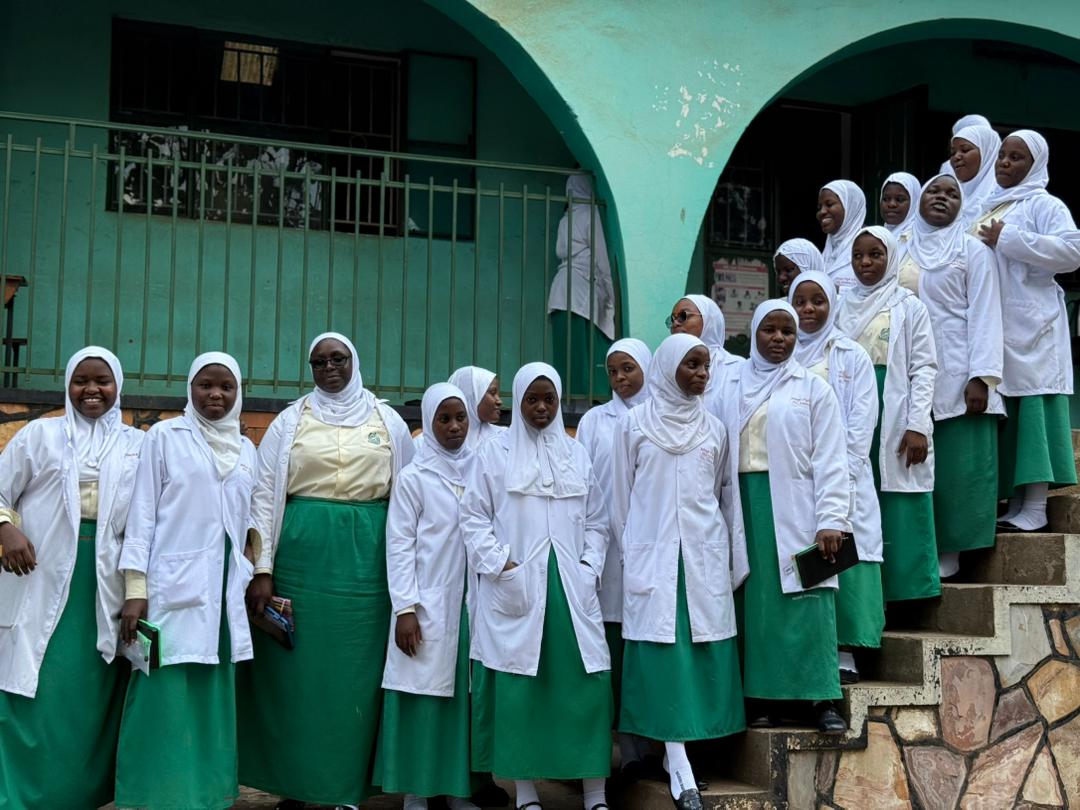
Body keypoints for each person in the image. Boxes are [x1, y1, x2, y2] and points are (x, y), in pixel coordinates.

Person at [238, 332, 414, 809]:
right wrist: (262, 567)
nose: (329, 368)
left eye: (338, 359)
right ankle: (298, 786)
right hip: (300, 558)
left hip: (367, 562)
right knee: (296, 677)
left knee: (356, 675)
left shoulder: (388, 421)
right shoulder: (290, 420)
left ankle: (346, 790)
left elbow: (410, 495)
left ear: (355, 361)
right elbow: (264, 494)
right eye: (318, 362)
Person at [462, 363, 611, 810]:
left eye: (549, 399)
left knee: (584, 691)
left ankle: (595, 793)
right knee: (519, 694)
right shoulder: (494, 453)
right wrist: (500, 564)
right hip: (517, 585)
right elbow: (473, 518)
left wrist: (589, 567)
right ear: (519, 401)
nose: (541, 407)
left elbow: (598, 521)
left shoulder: (576, 454)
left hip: (570, 589)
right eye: (532, 399)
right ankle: (526, 793)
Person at [609, 333, 747, 809]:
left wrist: (728, 557)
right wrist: (634, 553)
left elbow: (724, 495)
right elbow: (620, 501)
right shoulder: (633, 425)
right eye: (692, 365)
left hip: (701, 559)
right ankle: (679, 764)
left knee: (696, 655)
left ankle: (681, 756)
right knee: (664, 660)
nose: (702, 374)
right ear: (669, 367)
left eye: (706, 365)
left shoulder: (715, 429)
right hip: (653, 557)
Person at [0, 347, 142, 809]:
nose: (91, 390)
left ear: (118, 386)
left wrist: (137, 589)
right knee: (37, 681)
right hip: (38, 574)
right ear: (67, 385)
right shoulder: (39, 435)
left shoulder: (137, 444)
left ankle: (76, 796)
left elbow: (146, 521)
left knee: (90, 689)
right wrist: (6, 529)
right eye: (81, 380)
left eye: (102, 380)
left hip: (103, 582)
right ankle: (18, 796)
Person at [115, 352, 257, 810]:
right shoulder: (164, 437)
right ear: (189, 389)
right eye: (205, 385)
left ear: (238, 393)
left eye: (226, 387)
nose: (215, 395)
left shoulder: (247, 449)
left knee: (209, 699)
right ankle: (154, 797)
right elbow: (141, 515)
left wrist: (251, 566)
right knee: (163, 697)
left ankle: (205, 797)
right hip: (169, 588)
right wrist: (136, 590)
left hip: (222, 594)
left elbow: (251, 519)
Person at [724, 300, 849, 733]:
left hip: (800, 508)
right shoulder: (730, 385)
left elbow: (831, 458)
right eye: (769, 330)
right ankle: (761, 699)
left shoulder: (813, 387)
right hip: (746, 505)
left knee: (808, 602)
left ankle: (821, 699)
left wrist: (831, 518)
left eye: (788, 331)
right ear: (753, 333)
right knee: (759, 607)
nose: (779, 338)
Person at [376, 384, 479, 810]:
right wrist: (405, 607)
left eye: (461, 418)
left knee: (461, 701)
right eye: (444, 419)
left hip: (471, 602)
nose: (454, 427)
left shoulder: (482, 468)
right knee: (421, 699)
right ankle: (416, 793)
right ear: (428, 423)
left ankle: (456, 792)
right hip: (427, 602)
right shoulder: (414, 477)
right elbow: (399, 545)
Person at [977, 130, 1080, 530]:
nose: (1005, 162)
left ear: (1035, 165)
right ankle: (1018, 503)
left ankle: (1035, 507)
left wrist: (1010, 238)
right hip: (1000, 324)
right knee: (1013, 415)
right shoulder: (989, 203)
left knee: (1034, 411)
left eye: (1017, 157)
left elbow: (1072, 251)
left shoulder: (1044, 204)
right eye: (1002, 154)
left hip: (1035, 325)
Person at [904, 174, 1004, 576]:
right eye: (934, 191)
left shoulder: (972, 250)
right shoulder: (900, 247)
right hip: (910, 368)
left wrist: (982, 375)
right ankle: (918, 553)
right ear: (920, 198)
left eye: (952, 194)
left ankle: (952, 555)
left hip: (959, 369)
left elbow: (986, 311)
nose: (942, 198)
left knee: (959, 470)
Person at [835, 227, 940, 603]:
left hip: (893, 409)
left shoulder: (909, 306)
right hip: (850, 407)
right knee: (855, 496)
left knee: (896, 493)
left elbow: (924, 368)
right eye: (858, 256)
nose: (865, 262)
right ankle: (864, 596)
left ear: (892, 257)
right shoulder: (840, 304)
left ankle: (906, 595)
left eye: (875, 254)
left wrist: (917, 425)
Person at [788, 274, 884, 683]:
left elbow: (862, 421)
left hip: (845, 471)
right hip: (796, 476)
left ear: (833, 305)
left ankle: (846, 653)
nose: (808, 309)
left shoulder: (851, 354)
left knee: (844, 553)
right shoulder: (783, 354)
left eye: (818, 301)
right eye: (800, 302)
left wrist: (840, 474)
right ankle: (814, 650)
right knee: (805, 564)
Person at [574, 339, 654, 778]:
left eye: (628, 368)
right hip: (604, 549)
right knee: (611, 651)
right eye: (612, 371)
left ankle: (647, 750)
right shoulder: (593, 421)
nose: (620, 378)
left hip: (651, 545)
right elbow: (584, 485)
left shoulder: (661, 415)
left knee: (645, 650)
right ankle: (617, 754)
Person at [548, 175, 616, 404]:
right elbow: (602, 258)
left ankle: (568, 402)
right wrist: (613, 297)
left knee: (567, 356)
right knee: (586, 354)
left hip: (560, 291)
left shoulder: (566, 218)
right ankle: (589, 404)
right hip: (580, 290)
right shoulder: (590, 212)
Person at [667, 293, 744, 416]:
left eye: (683, 316)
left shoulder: (737, 368)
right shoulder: (665, 366)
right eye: (672, 319)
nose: (675, 323)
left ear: (709, 320)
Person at [818, 180, 867, 296]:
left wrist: (835, 290)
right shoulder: (828, 250)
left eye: (829, 204)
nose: (822, 212)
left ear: (850, 206)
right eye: (819, 207)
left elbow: (875, 292)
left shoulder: (869, 245)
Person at [949, 125, 1002, 229]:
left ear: (987, 152)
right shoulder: (948, 196)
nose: (956, 157)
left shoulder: (1002, 198)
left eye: (965, 150)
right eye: (953, 153)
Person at [448, 365, 505, 450]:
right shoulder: (437, 443)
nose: (499, 401)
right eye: (492, 393)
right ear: (472, 396)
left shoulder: (503, 438)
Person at [880, 172, 921, 245]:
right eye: (886, 199)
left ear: (915, 202)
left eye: (900, 199)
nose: (891, 204)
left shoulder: (919, 239)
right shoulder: (878, 236)